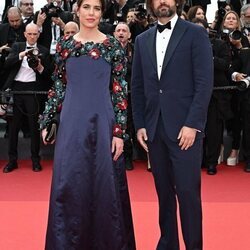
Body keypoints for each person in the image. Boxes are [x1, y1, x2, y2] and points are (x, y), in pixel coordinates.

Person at [39, 0, 136, 248]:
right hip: (72, 123)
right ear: (77, 10)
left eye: (96, 8)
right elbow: (59, 86)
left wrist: (119, 132)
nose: (91, 13)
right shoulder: (65, 45)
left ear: (102, 12)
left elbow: (119, 92)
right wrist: (47, 118)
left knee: (105, 186)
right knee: (69, 183)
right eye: (86, 7)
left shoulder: (113, 46)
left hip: (104, 123)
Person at [131, 0, 213, 249]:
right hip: (155, 130)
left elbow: (204, 83)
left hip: (185, 131)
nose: (163, 1)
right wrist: (140, 124)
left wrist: (193, 124)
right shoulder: (142, 40)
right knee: (164, 196)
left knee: (188, 195)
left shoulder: (195, 33)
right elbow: (137, 86)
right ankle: (167, 244)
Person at [2, 23, 51, 173]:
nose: (32, 36)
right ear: (25, 34)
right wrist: (21, 55)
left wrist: (40, 67)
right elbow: (7, 64)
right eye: (29, 34)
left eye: (35, 34)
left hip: (33, 91)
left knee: (34, 127)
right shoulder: (17, 46)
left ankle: (35, 160)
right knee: (14, 127)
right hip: (16, 89)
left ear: (38, 35)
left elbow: (48, 74)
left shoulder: (43, 50)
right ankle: (12, 161)